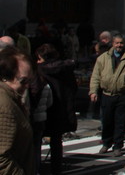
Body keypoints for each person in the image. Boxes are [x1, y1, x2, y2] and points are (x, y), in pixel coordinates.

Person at [89, 34, 125, 156]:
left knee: (120, 121)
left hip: (122, 94)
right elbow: (95, 76)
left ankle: (118, 145)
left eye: (121, 43)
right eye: (117, 43)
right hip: (107, 94)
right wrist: (93, 91)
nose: (119, 45)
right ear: (112, 44)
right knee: (107, 120)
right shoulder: (103, 58)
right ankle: (106, 143)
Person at [37, 44, 77, 175]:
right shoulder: (66, 69)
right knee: (56, 141)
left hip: (45, 108)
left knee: (37, 139)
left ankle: (37, 167)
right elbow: (73, 88)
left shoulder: (40, 70)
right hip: (62, 108)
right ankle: (56, 168)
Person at [0, 46, 36, 174]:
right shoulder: (4, 105)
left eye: (30, 80)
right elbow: (1, 157)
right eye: (23, 81)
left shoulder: (12, 98)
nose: (27, 86)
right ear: (6, 77)